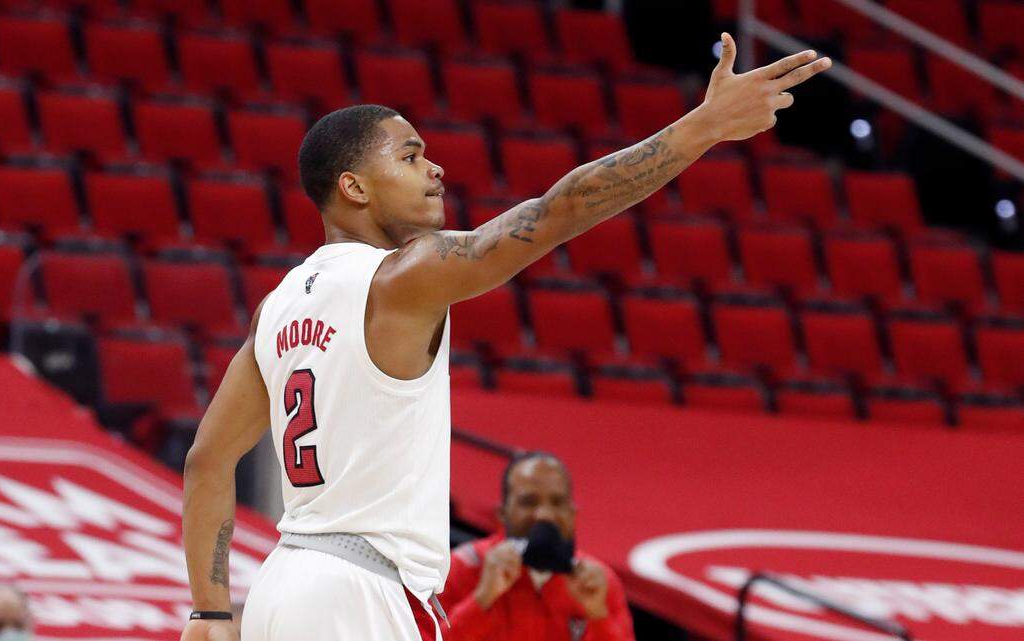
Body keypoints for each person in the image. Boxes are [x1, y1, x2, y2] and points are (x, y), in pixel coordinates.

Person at [180, 33, 830, 641]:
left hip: (280, 584)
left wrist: (210, 609)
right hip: (359, 592)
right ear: (353, 187)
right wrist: (703, 127)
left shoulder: (279, 305)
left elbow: (207, 459)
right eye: (410, 156)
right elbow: (559, 210)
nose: (435, 169)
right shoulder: (404, 276)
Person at [443, 452, 632, 641]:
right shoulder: (461, 568)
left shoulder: (598, 583)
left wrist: (598, 615)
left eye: (557, 502)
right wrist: (481, 599)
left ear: (572, 514)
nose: (544, 515)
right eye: (528, 502)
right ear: (502, 513)